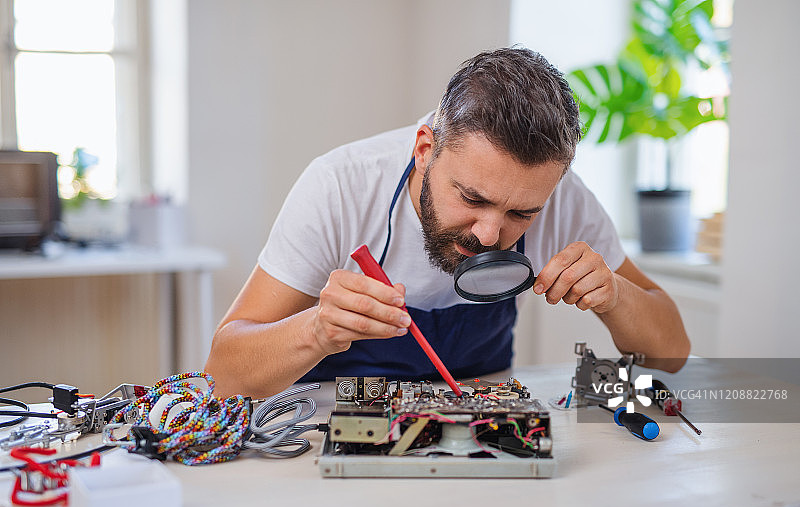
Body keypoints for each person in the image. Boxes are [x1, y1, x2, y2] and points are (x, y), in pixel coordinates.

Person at [206, 47, 690, 398]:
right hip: (327, 435)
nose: (488, 235)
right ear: (424, 150)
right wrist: (316, 329)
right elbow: (222, 374)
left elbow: (672, 355)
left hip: (477, 434)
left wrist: (615, 296)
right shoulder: (339, 187)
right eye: (472, 198)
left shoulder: (564, 200)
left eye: (522, 213)